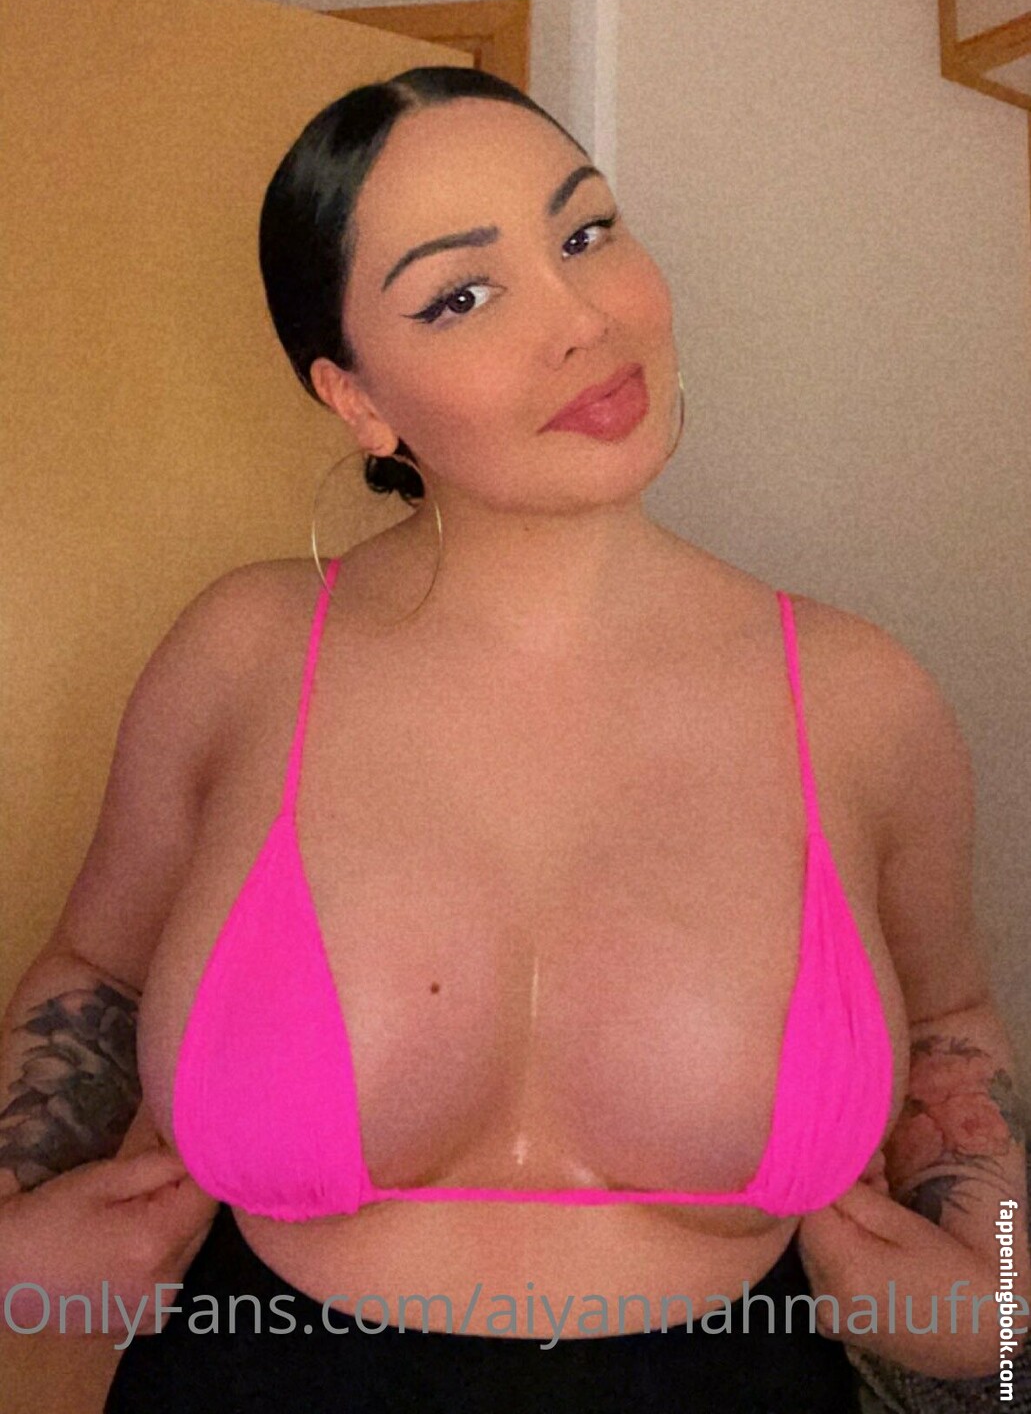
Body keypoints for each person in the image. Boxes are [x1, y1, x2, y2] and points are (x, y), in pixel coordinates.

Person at [3, 68, 919, 1408]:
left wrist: (1007, 1297)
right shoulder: (243, 652)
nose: (585, 318)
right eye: (461, 296)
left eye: (586, 232)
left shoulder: (860, 691)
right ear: (358, 400)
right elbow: (97, 965)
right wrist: (11, 1226)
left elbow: (957, 1023)